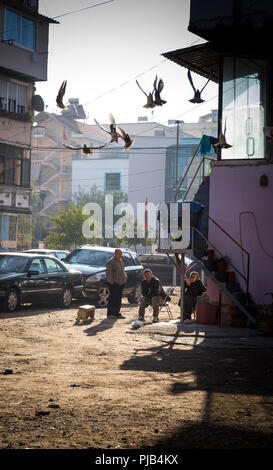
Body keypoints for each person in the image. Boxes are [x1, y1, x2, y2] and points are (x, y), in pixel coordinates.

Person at [106, 248, 127, 319]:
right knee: (112, 299)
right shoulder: (111, 262)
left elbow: (123, 271)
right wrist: (111, 283)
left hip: (121, 283)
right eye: (119, 254)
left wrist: (124, 279)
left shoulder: (121, 262)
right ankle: (110, 314)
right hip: (114, 284)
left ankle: (117, 313)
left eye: (121, 254)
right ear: (115, 254)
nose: (120, 255)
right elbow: (109, 273)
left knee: (118, 299)